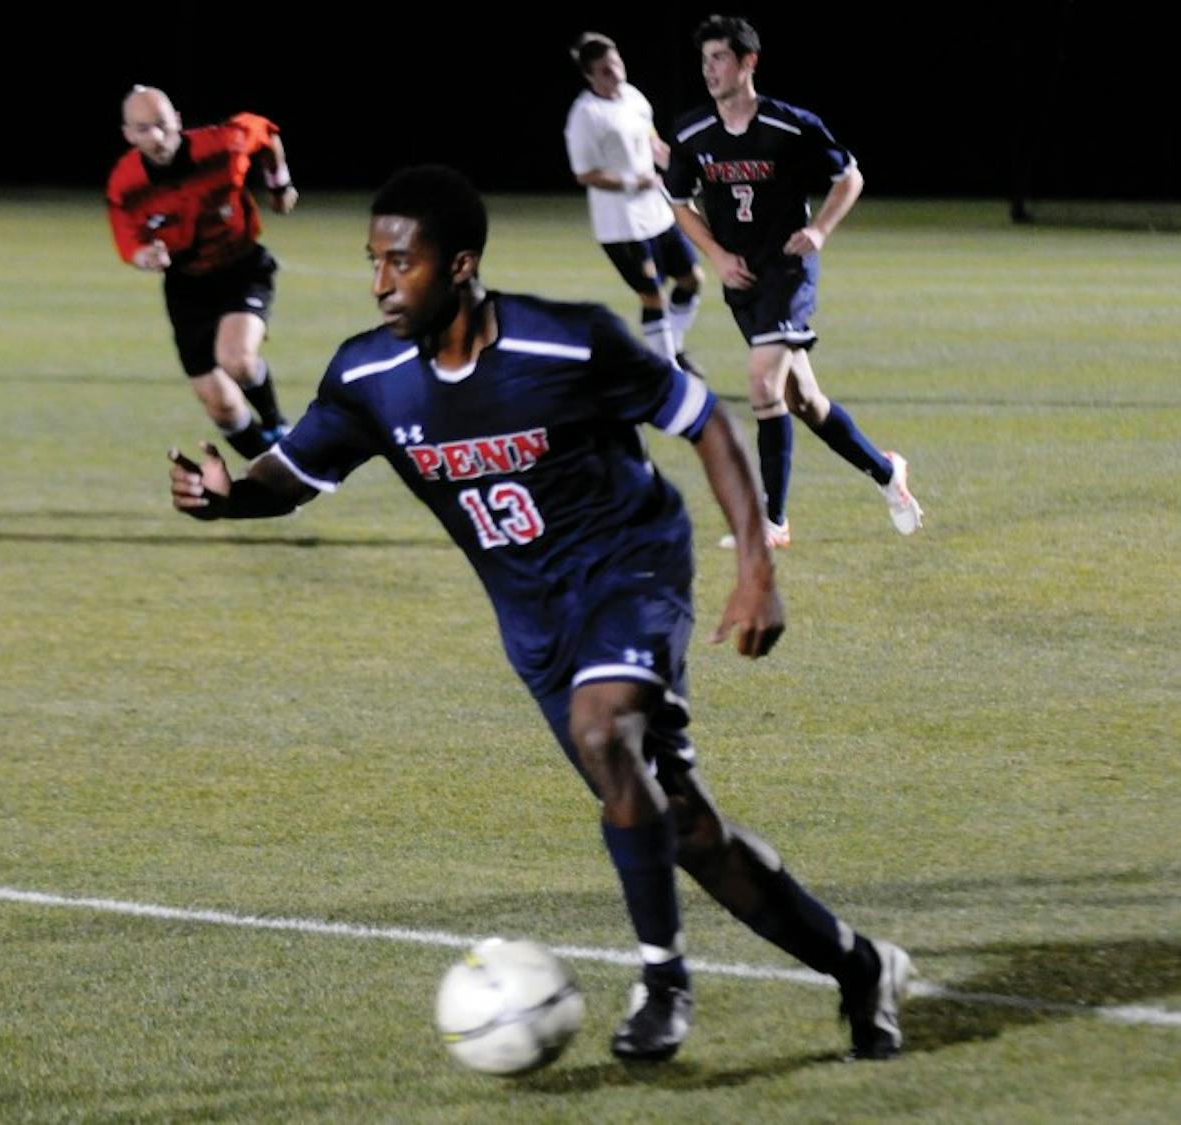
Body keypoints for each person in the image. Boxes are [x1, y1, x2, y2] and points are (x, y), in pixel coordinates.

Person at [167, 165, 911, 1063]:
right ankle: (861, 965)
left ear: (461, 264)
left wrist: (756, 566)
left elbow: (704, 420)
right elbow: (290, 479)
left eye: (400, 262)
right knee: (683, 828)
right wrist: (228, 497)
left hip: (631, 569)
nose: (379, 282)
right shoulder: (370, 374)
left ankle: (663, 979)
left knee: (607, 735)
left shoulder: (566, 343)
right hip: (533, 620)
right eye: (373, 262)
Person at [665, 16, 922, 549]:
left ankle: (772, 522)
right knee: (802, 399)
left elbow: (849, 176)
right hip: (742, 280)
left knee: (761, 382)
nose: (709, 69)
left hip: (787, 270)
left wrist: (820, 230)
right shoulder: (693, 132)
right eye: (705, 60)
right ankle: (886, 472)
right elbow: (677, 202)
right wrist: (715, 255)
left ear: (748, 63)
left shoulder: (789, 125)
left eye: (720, 58)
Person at [107, 85, 298, 459]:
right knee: (221, 406)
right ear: (129, 135)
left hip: (242, 268)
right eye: (144, 129)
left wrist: (280, 183)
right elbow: (129, 238)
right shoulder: (127, 183)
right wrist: (145, 255)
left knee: (237, 360)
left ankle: (276, 422)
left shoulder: (223, 147)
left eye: (162, 124)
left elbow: (265, 131)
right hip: (186, 288)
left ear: (177, 121)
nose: (157, 137)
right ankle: (272, 475)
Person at [564, 32, 706, 373]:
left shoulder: (633, 97)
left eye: (616, 64)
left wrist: (673, 162)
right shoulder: (585, 115)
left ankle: (671, 349)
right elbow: (584, 174)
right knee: (652, 295)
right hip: (620, 223)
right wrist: (633, 180)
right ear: (589, 76)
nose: (614, 74)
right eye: (605, 70)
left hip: (656, 210)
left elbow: (651, 139)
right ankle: (669, 368)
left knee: (692, 278)